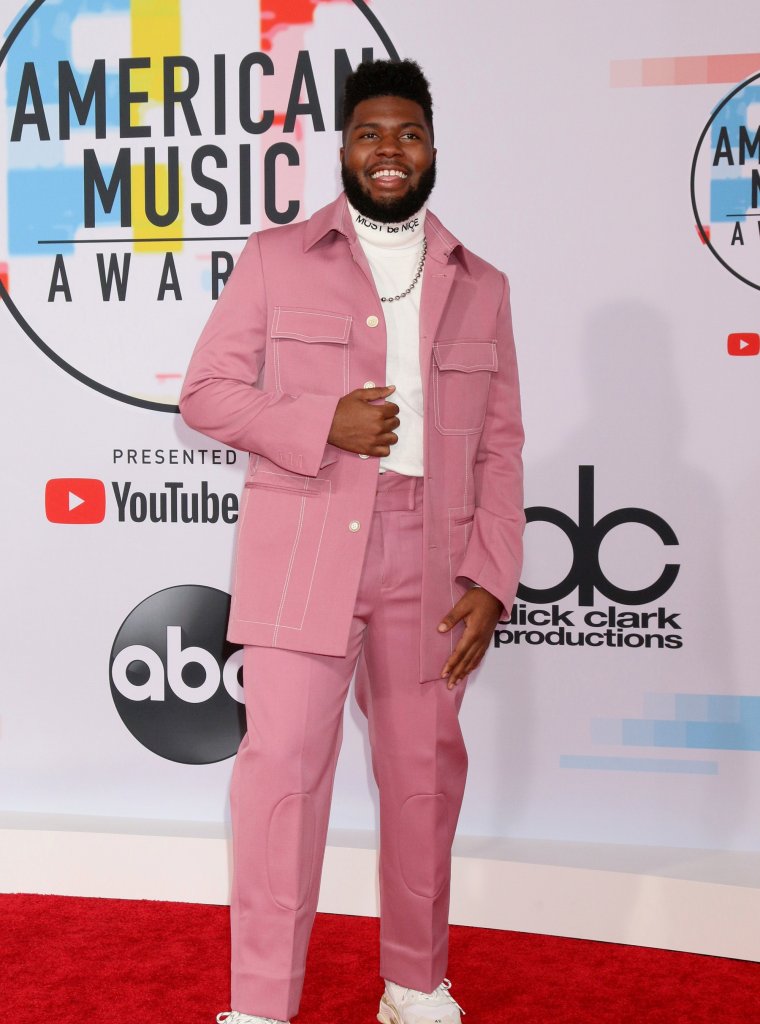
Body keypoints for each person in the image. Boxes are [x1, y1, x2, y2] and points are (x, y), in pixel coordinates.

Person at [180, 58, 524, 1024]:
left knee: (422, 779)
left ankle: (415, 986)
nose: (388, 151)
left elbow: (503, 445)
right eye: (370, 132)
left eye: (406, 134)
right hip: (304, 543)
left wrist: (492, 578)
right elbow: (205, 393)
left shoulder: (482, 283)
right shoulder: (276, 257)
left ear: (432, 151)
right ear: (341, 145)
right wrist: (317, 423)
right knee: (279, 778)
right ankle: (258, 1004)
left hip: (433, 554)